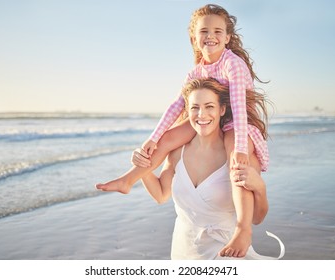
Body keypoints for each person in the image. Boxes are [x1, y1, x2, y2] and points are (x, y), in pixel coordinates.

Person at [96, 4, 269, 257]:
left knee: (235, 161)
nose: (211, 36)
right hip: (208, 113)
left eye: (218, 31)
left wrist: (241, 148)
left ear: (228, 38)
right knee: (167, 138)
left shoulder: (232, 64)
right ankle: (128, 179)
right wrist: (152, 139)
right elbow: (176, 105)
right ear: (194, 38)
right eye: (204, 31)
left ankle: (243, 229)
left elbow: (239, 108)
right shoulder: (196, 71)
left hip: (235, 120)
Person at [131, 78, 284, 259]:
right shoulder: (177, 152)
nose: (201, 114)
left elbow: (257, 218)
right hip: (183, 251)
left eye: (209, 106)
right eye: (195, 107)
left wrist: (260, 187)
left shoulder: (238, 156)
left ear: (222, 110)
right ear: (188, 111)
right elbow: (161, 194)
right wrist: (142, 166)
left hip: (226, 252)